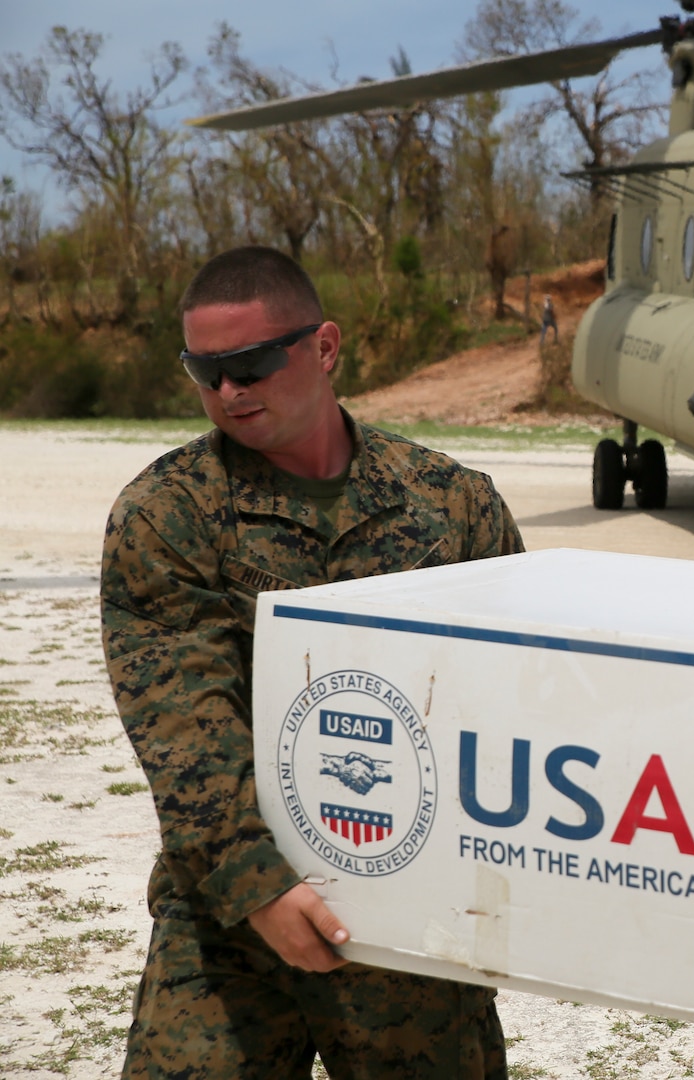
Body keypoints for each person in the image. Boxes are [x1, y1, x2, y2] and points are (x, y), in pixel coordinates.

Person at [101, 245, 524, 1078]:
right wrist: (257, 886)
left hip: (417, 921)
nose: (228, 393)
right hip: (231, 919)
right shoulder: (170, 512)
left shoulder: (451, 504)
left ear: (324, 348)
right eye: (204, 370)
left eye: (252, 364)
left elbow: (517, 703)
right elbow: (184, 726)